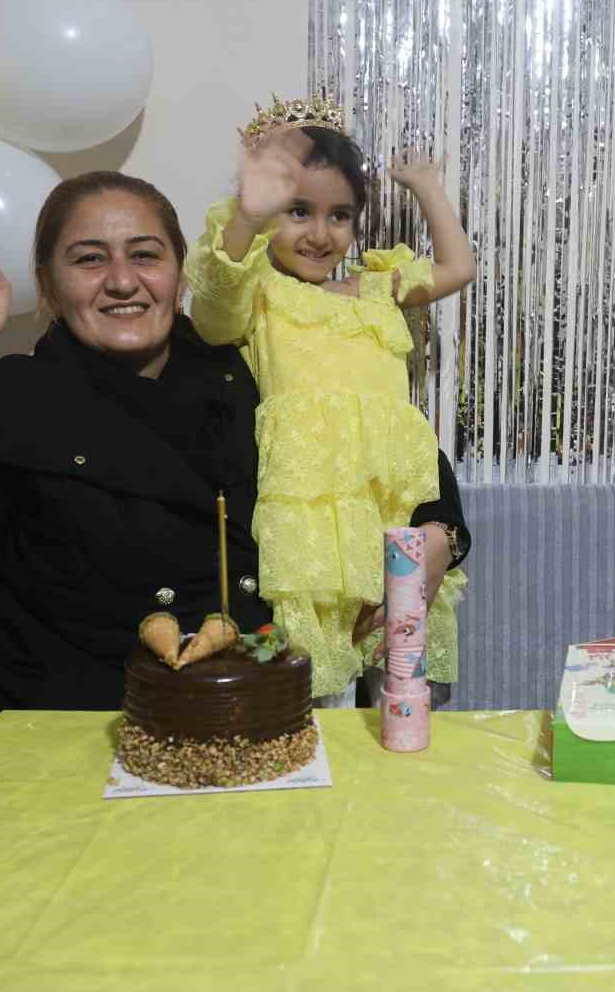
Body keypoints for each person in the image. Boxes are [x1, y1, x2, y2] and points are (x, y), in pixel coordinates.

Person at [0, 171, 471, 830]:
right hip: (24, 761)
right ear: (46, 285)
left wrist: (437, 526)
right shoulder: (1, 398)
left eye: (145, 254)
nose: (123, 280)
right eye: (89, 258)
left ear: (181, 274)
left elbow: (379, 436)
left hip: (226, 753)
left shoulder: (258, 370)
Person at [185, 95, 477, 705]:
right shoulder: (260, 293)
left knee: (404, 689)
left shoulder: (377, 287)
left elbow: (457, 268)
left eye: (339, 215)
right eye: (298, 211)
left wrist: (427, 187)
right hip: (310, 520)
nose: (320, 234)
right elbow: (210, 311)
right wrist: (245, 213)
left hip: (392, 509)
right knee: (317, 695)